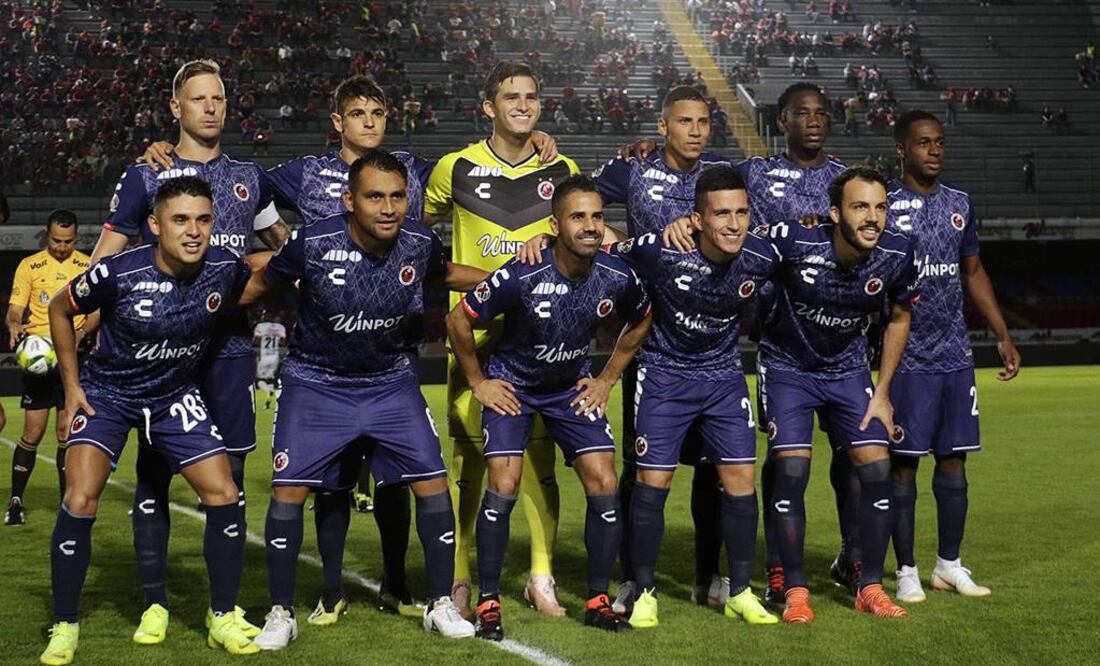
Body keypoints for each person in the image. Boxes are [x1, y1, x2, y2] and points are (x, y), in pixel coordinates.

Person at [244, 151, 486, 649]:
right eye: (375, 196)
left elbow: (446, 275)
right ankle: (279, 612)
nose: (388, 207)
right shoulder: (311, 242)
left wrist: (504, 280)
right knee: (289, 491)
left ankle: (440, 603)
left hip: (390, 382)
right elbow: (259, 283)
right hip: (315, 383)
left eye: (398, 196)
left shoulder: (419, 242)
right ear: (349, 200)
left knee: (432, 483)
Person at [91, 58, 287, 644]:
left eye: (219, 99)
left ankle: (221, 607)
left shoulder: (251, 177)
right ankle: (155, 602)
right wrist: (87, 326)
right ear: (176, 109)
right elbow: (106, 258)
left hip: (226, 351)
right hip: (156, 358)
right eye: (198, 99)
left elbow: (285, 248)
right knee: (153, 478)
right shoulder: (146, 175)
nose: (210, 108)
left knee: (228, 478)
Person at [40, 177, 261, 665]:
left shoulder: (225, 268)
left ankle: (220, 615)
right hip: (109, 395)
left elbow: (268, 274)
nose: (193, 231)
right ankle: (65, 623)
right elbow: (59, 307)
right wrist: (72, 387)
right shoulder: (118, 271)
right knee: (80, 497)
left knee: (224, 492)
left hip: (172, 396)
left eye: (203, 220)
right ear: (155, 225)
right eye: (180, 220)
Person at [446, 175, 650, 640]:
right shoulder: (523, 271)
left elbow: (642, 319)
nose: (591, 226)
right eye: (578, 216)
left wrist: (606, 378)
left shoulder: (617, 274)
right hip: (513, 388)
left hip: (568, 388)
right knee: (505, 481)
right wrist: (479, 382)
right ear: (555, 225)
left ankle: (598, 599)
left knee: (604, 478)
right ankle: (490, 602)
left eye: (598, 216)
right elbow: (458, 319)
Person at [424, 61, 581, 620]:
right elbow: (416, 235)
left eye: (531, 97)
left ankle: (542, 576)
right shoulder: (455, 167)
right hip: (476, 339)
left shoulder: (561, 168)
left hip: (545, 342)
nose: (522, 104)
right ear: (487, 107)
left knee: (539, 465)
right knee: (470, 467)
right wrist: (460, 276)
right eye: (510, 96)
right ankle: (462, 579)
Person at [606, 166, 778, 628]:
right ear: (697, 219)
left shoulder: (761, 254)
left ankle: (740, 590)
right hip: (664, 375)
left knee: (740, 482)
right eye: (721, 213)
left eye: (742, 212)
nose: (734, 224)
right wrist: (544, 242)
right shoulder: (660, 250)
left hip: (723, 377)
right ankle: (643, 592)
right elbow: (600, 248)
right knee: (653, 483)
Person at [756, 165, 916, 623]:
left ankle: (867, 585)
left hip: (847, 369)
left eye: (881, 207)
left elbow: (900, 317)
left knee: (879, 467)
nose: (873, 217)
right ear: (833, 213)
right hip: (787, 366)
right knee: (790, 468)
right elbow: (737, 250)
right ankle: (795, 589)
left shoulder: (898, 251)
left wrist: (882, 391)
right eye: (860, 206)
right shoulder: (793, 241)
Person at [887, 110, 1020, 603]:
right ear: (903, 148)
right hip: (905, 359)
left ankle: (949, 565)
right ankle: (905, 569)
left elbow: (974, 270)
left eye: (940, 142)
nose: (935, 151)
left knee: (954, 462)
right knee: (903, 465)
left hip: (954, 355)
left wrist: (1001, 332)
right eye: (924, 143)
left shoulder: (959, 204)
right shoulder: (884, 206)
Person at [5, 210, 91, 526]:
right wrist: (14, 324)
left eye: (68, 242)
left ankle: (66, 506)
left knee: (66, 431)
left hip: (75, 356)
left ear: (76, 238)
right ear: (47, 235)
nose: (61, 247)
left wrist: (81, 332)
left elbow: (97, 311)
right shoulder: (29, 266)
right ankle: (15, 501)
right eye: (56, 240)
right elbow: (15, 310)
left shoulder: (86, 266)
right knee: (33, 430)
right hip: (39, 357)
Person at [252, 310, 286, 405]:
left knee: (261, 380)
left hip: (263, 356)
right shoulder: (280, 327)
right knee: (272, 380)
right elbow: (283, 343)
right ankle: (270, 400)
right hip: (274, 356)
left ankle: (263, 402)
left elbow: (256, 343)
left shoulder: (260, 327)